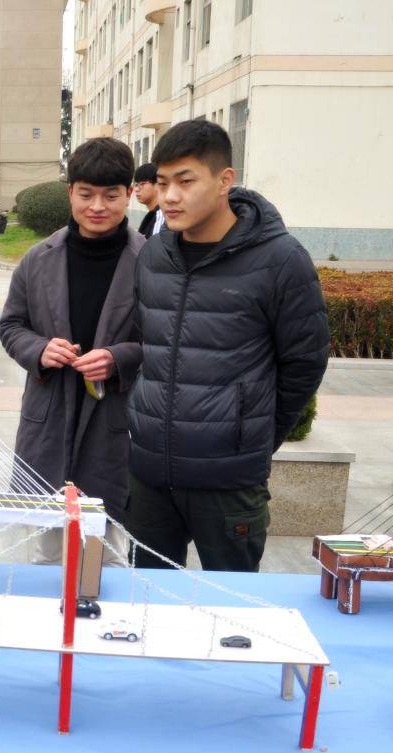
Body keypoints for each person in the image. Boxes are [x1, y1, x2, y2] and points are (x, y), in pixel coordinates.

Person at [128, 120, 330, 572]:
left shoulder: (281, 260)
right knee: (147, 600)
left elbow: (304, 364)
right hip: (150, 476)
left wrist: (250, 438)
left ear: (224, 181)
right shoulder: (154, 255)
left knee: (233, 604)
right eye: (163, 182)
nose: (170, 196)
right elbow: (148, 346)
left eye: (185, 181)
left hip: (228, 484)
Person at [0, 137, 144, 567]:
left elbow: (169, 340)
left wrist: (120, 359)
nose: (97, 206)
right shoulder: (37, 260)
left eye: (110, 195)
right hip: (49, 419)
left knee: (108, 557)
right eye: (86, 194)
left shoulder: (151, 260)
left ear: (129, 194)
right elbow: (11, 326)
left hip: (114, 422)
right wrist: (39, 349)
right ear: (70, 193)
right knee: (46, 557)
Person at [134, 162, 165, 239]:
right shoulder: (151, 215)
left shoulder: (162, 215)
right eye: (136, 184)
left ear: (157, 184)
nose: (136, 189)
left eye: (142, 184)